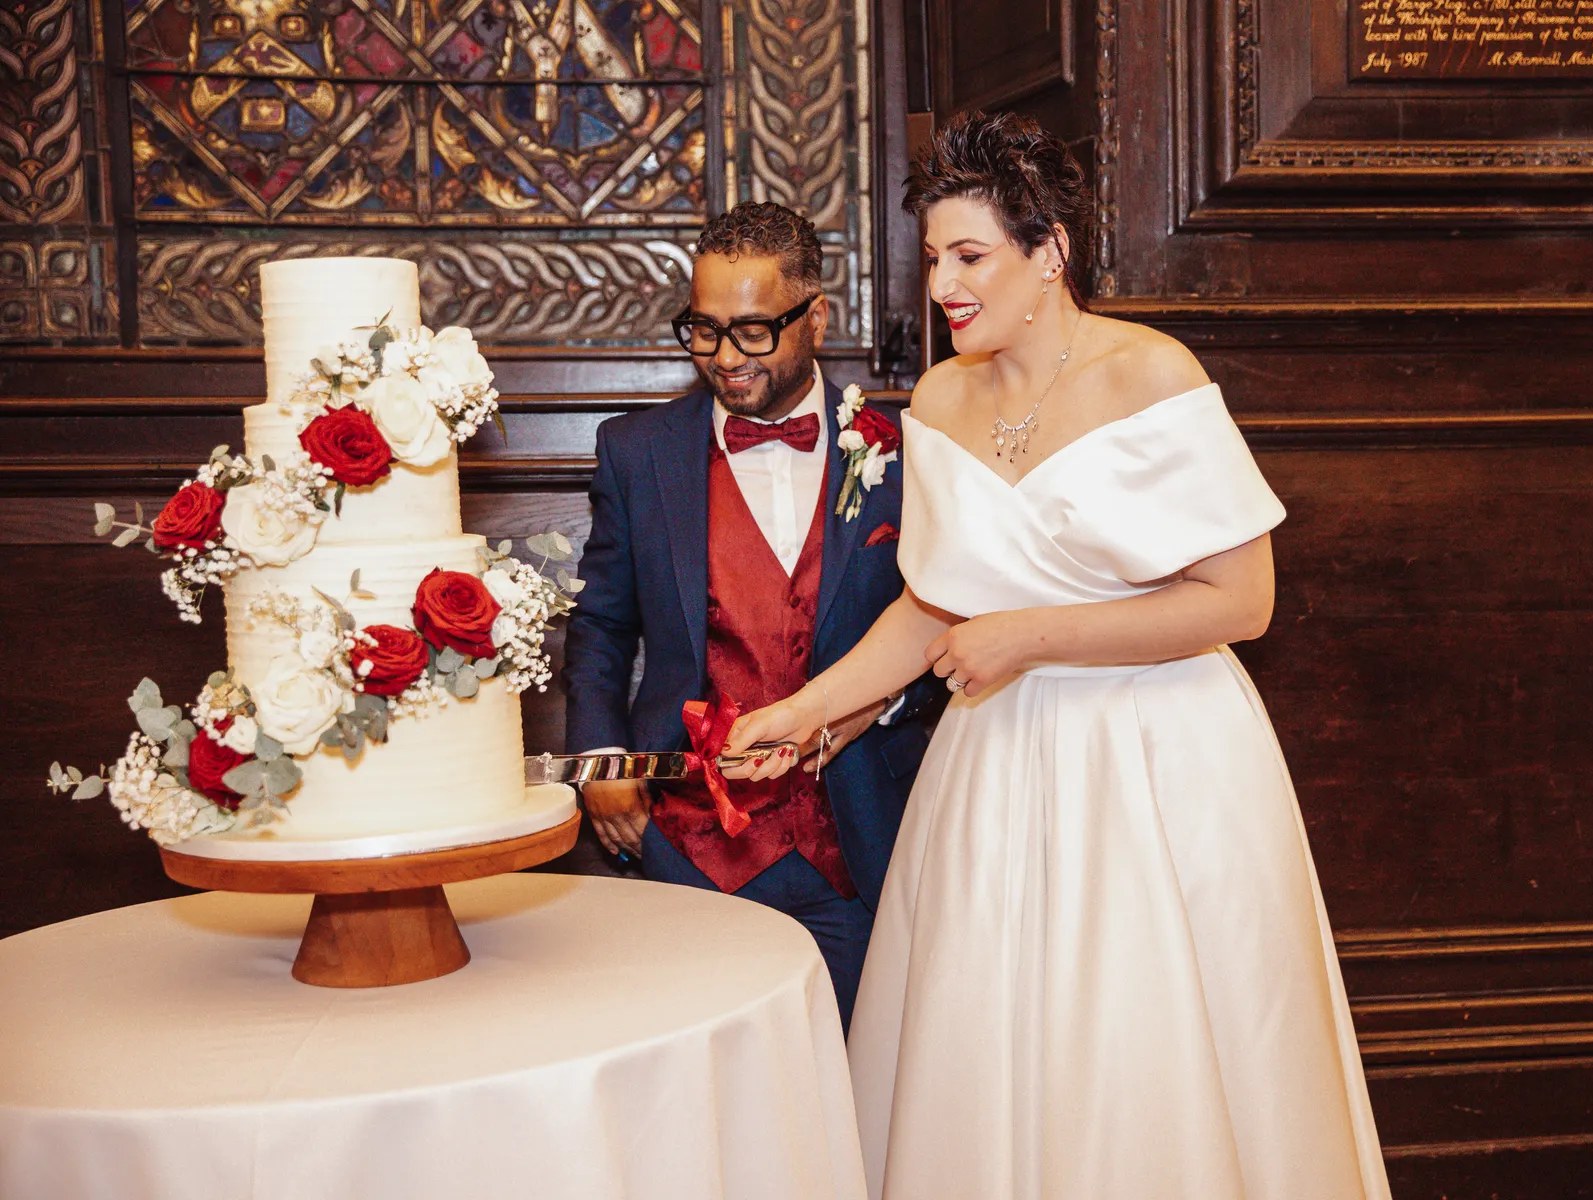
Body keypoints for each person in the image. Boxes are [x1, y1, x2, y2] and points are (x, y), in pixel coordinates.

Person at [722, 114, 1392, 1198]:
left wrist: (1035, 636)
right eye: (933, 257)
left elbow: (1244, 600)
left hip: (1160, 756)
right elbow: (934, 607)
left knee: (1142, 1038)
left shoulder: (1151, 376)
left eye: (971, 256)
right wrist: (808, 711)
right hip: (998, 767)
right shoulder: (939, 400)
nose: (943, 283)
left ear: (1050, 255)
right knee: (990, 1039)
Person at [563, 201, 939, 1029]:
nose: (726, 358)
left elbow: (944, 623)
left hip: (862, 837)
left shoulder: (909, 448)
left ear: (818, 318)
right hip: (687, 847)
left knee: (853, 1098)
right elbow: (600, 627)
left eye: (754, 330)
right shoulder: (637, 451)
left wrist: (887, 702)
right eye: (702, 330)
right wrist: (601, 764)